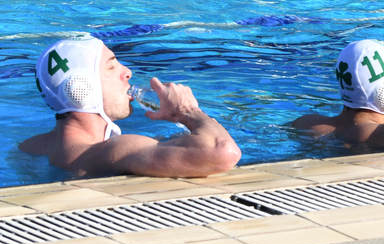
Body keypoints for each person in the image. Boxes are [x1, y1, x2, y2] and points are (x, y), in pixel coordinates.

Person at [20, 37, 241, 178]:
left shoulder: (29, 148)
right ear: (81, 88)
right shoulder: (116, 151)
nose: (127, 72)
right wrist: (189, 112)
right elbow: (223, 152)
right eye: (111, 66)